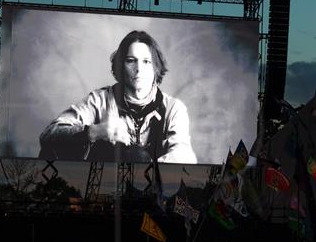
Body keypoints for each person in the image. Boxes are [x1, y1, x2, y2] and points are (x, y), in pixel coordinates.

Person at [39, 30, 197, 164]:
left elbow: (183, 154)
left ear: (156, 68)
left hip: (150, 190)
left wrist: (144, 172)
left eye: (147, 61)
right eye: (131, 61)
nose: (139, 69)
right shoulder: (99, 100)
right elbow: (49, 135)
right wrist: (94, 132)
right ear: (120, 66)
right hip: (105, 184)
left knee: (138, 156)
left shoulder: (173, 108)